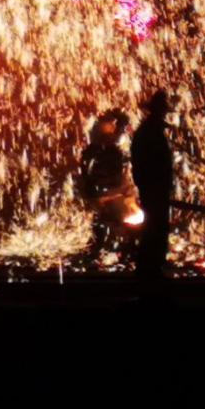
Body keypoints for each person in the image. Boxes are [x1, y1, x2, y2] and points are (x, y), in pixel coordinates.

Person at [129, 89, 175, 280]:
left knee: (155, 227)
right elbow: (144, 163)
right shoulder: (149, 133)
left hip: (155, 188)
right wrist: (151, 186)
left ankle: (150, 268)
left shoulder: (150, 131)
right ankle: (150, 270)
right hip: (154, 189)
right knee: (155, 228)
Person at [78, 109, 133, 256]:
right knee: (105, 220)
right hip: (104, 193)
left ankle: (109, 246)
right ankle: (100, 247)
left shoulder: (113, 150)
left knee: (113, 220)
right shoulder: (97, 150)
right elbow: (87, 172)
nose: (115, 130)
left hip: (111, 192)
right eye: (111, 125)